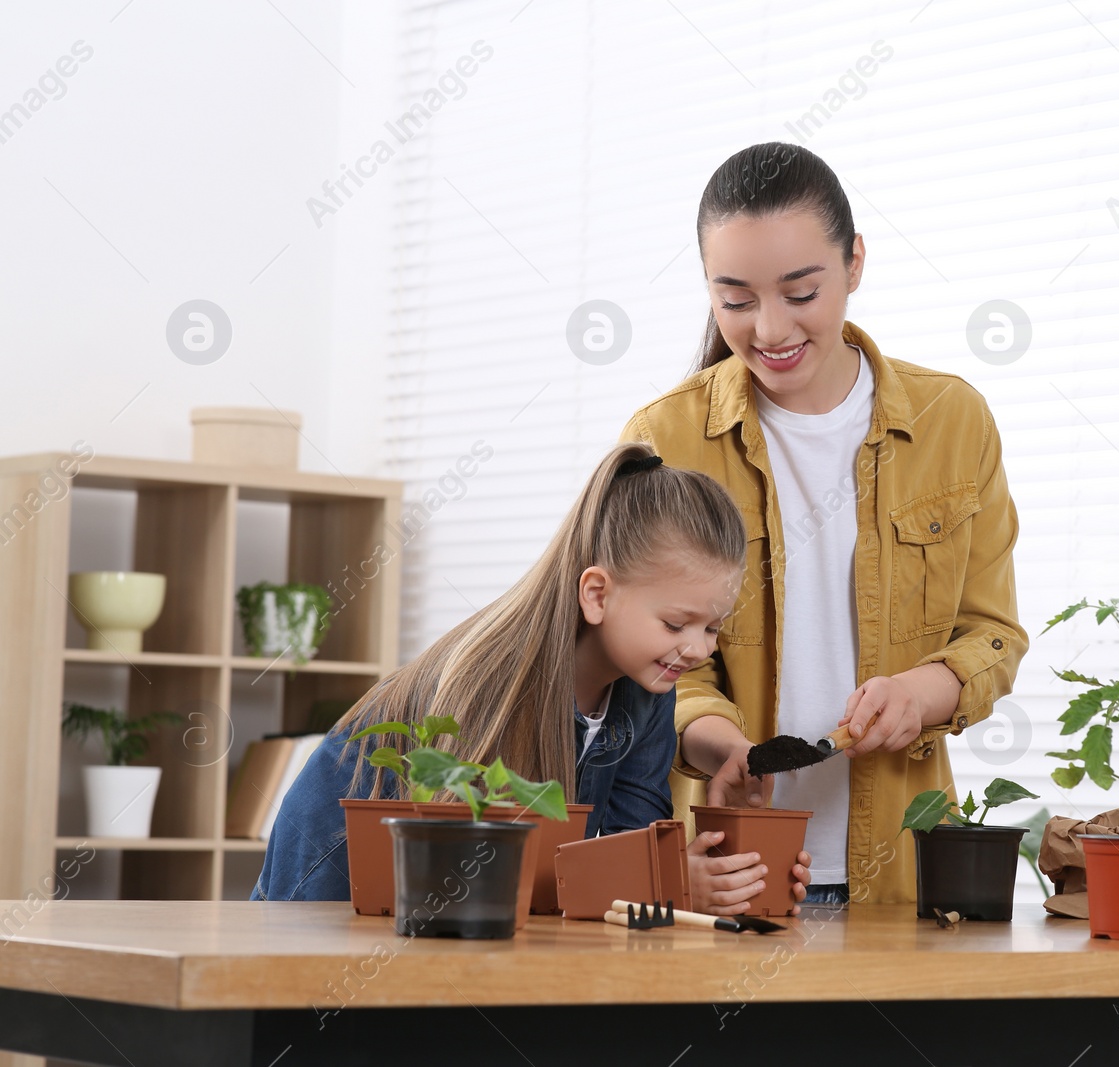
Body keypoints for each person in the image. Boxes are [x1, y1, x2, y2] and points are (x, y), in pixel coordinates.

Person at [623, 143, 1027, 906]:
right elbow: (640, 658)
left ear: (855, 263)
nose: (770, 328)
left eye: (800, 291)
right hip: (725, 875)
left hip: (902, 874)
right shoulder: (665, 438)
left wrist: (921, 689)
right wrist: (723, 748)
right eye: (735, 300)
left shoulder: (954, 421)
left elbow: (992, 634)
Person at [252, 443, 812, 914]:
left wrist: (698, 872)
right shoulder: (489, 676)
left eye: (714, 628)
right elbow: (471, 877)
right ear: (597, 594)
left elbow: (622, 858)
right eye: (675, 623)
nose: (696, 649)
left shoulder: (648, 694)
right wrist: (670, 886)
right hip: (328, 888)